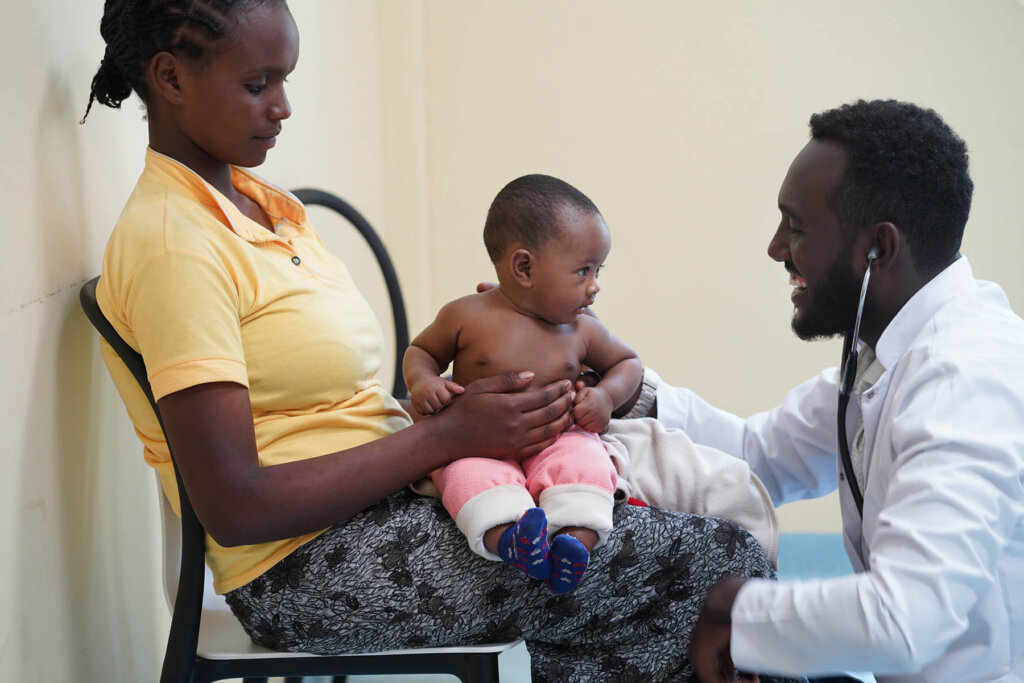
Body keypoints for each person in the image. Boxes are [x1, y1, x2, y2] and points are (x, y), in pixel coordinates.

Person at [82, 1, 801, 680]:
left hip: (388, 499)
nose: (283, 106)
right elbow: (233, 504)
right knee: (721, 561)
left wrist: (487, 368)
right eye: (256, 84)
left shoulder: (265, 209)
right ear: (171, 78)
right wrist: (448, 435)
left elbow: (329, 407)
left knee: (682, 514)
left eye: (285, 80)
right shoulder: (176, 246)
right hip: (308, 569)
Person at [637, 99, 1024, 681]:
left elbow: (905, 619)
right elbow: (754, 455)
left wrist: (738, 612)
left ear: (878, 248)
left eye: (796, 228)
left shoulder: (964, 378)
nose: (776, 248)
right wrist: (630, 392)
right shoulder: (885, 360)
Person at [404, 174, 642, 594]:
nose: (595, 285)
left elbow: (628, 363)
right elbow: (421, 351)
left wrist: (605, 395)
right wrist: (423, 382)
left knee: (585, 467)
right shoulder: (465, 315)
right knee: (467, 478)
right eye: (583, 270)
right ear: (525, 268)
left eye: (597, 270)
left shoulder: (581, 329)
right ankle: (513, 542)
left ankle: (574, 546)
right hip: (478, 445)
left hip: (558, 437)